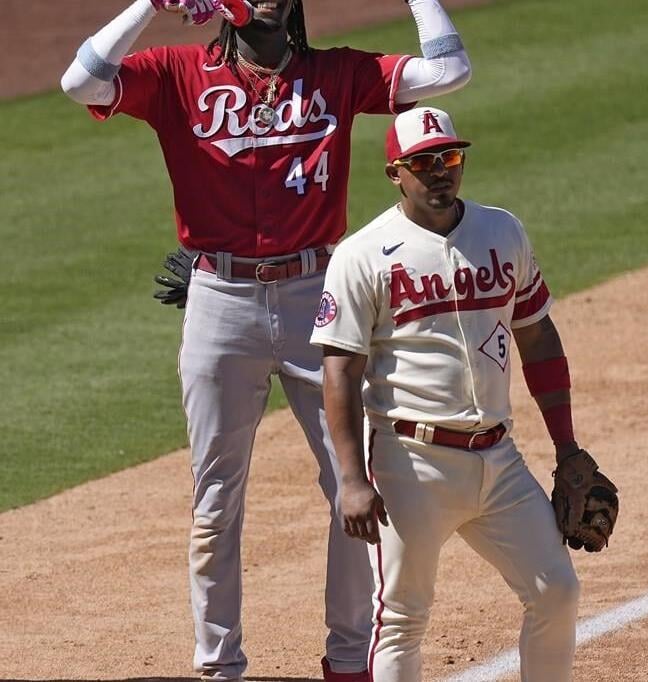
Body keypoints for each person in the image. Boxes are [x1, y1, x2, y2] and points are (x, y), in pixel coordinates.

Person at [60, 2, 472, 680]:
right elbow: (82, 81)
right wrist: (148, 4)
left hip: (320, 293)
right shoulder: (177, 72)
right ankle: (219, 666)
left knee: (353, 481)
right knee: (216, 497)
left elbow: (451, 70)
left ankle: (348, 661)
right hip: (219, 301)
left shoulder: (338, 74)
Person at [311, 106, 616, 681]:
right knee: (401, 618)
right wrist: (351, 478)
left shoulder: (502, 231)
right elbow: (340, 372)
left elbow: (539, 337)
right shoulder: (361, 255)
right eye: (422, 163)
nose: (439, 172)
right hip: (410, 464)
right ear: (394, 174)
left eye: (449, 158)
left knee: (556, 591)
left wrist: (568, 447)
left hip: (499, 460)